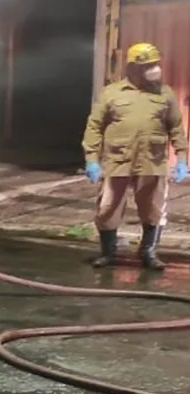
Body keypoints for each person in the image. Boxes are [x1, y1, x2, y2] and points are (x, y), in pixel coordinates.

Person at [82, 42, 188, 270]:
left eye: (155, 64)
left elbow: (176, 128)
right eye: (148, 65)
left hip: (152, 161)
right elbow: (94, 126)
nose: (154, 69)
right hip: (117, 161)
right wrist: (91, 158)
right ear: (132, 68)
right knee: (108, 208)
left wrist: (181, 158)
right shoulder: (112, 93)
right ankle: (108, 253)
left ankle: (148, 252)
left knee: (153, 209)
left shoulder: (164, 93)